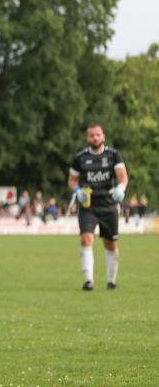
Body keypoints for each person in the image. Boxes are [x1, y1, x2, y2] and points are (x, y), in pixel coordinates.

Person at [68, 124, 127, 291]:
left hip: (109, 205)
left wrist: (121, 188)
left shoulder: (113, 155)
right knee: (86, 238)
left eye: (98, 135)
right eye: (91, 135)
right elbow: (72, 180)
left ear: (104, 136)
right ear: (87, 138)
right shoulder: (80, 158)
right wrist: (77, 190)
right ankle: (89, 281)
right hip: (88, 206)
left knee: (110, 243)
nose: (95, 138)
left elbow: (123, 177)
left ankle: (111, 281)